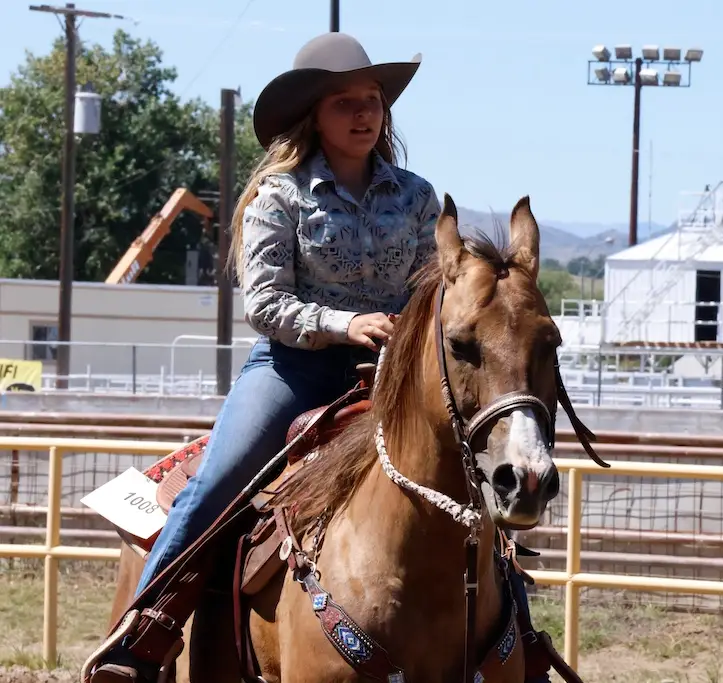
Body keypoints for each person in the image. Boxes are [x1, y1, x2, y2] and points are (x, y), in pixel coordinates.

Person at [90, 32, 550, 683]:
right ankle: (141, 635)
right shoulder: (278, 196)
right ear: (313, 115)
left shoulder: (418, 198)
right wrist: (344, 322)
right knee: (218, 485)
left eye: (372, 100)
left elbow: (438, 297)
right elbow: (266, 304)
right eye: (344, 103)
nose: (364, 113)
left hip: (391, 380)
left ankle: (519, 637)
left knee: (475, 487)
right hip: (293, 370)